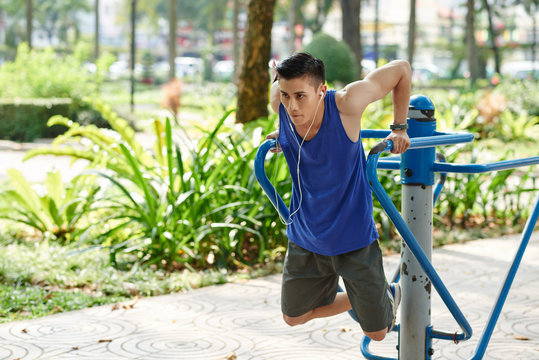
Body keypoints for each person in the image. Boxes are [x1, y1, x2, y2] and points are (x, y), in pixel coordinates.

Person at [266, 52, 411, 341]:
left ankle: (389, 296)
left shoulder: (347, 103)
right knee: (293, 317)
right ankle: (381, 293)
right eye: (285, 96)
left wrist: (399, 127)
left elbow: (402, 69)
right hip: (306, 237)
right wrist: (281, 133)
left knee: (378, 333)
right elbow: (280, 89)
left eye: (300, 96)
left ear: (322, 90)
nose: (292, 106)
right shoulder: (280, 103)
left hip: (353, 237)